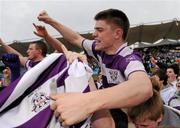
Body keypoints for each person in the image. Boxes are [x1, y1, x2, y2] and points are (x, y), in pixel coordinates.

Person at [38, 9, 152, 127]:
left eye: (100, 30)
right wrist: (50, 21)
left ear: (117, 33)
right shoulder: (100, 49)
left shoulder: (128, 58)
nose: (94, 34)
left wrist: (87, 102)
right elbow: (75, 38)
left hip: (130, 119)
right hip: (111, 110)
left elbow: (143, 86)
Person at [33, 23, 115, 128]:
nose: (95, 34)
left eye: (100, 30)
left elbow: (72, 42)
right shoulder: (33, 66)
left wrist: (86, 70)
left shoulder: (125, 60)